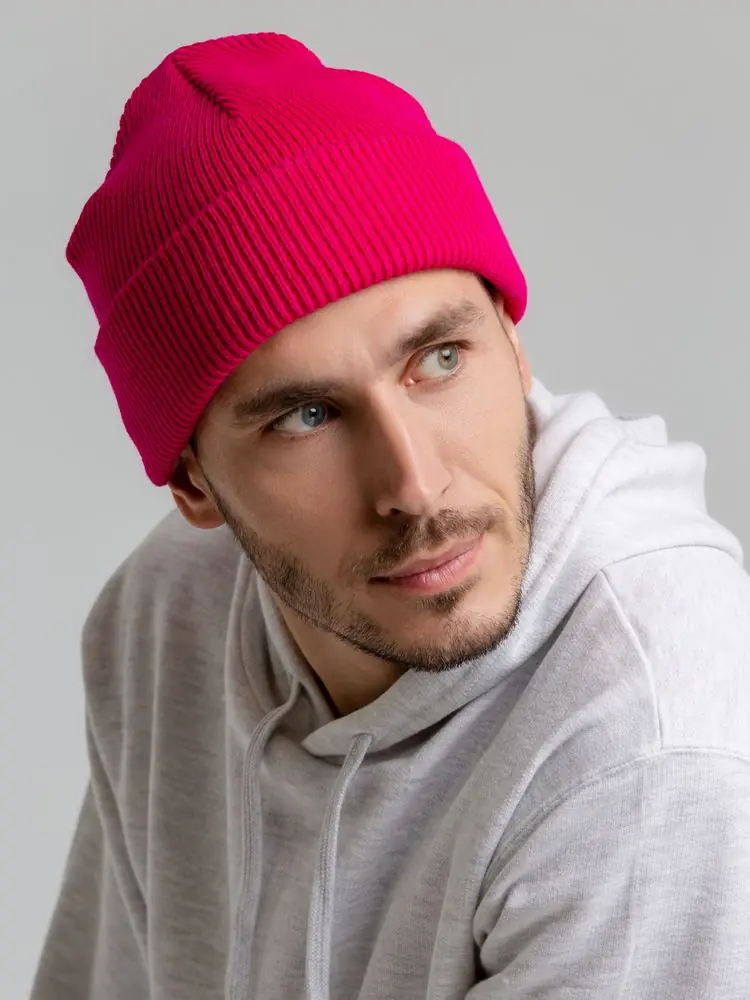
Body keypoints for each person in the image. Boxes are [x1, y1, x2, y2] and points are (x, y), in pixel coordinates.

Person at [30, 30, 750, 1000]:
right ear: (194, 483)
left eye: (439, 360)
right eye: (307, 416)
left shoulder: (647, 739)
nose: (414, 485)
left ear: (513, 344)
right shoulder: (168, 617)